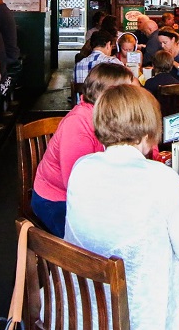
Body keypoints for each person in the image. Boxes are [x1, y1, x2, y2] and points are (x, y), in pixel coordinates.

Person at [66, 84, 179, 330]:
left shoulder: (82, 168)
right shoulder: (161, 178)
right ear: (148, 125)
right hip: (142, 317)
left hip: (85, 310)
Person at [31, 63, 136, 237]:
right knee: (102, 243)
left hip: (93, 193)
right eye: (127, 92)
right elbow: (75, 184)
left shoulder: (108, 116)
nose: (132, 97)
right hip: (57, 200)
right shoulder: (78, 123)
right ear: (108, 93)